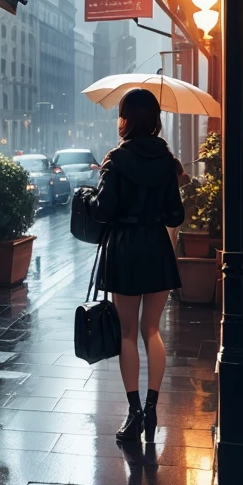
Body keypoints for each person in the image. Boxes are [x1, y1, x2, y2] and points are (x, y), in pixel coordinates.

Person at [88, 88, 185, 443]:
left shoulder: (116, 159)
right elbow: (176, 214)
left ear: (127, 119)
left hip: (126, 250)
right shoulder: (167, 161)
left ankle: (133, 414)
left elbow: (102, 211)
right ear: (156, 120)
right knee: (152, 331)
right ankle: (153, 407)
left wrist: (95, 190)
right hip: (157, 249)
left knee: (127, 333)